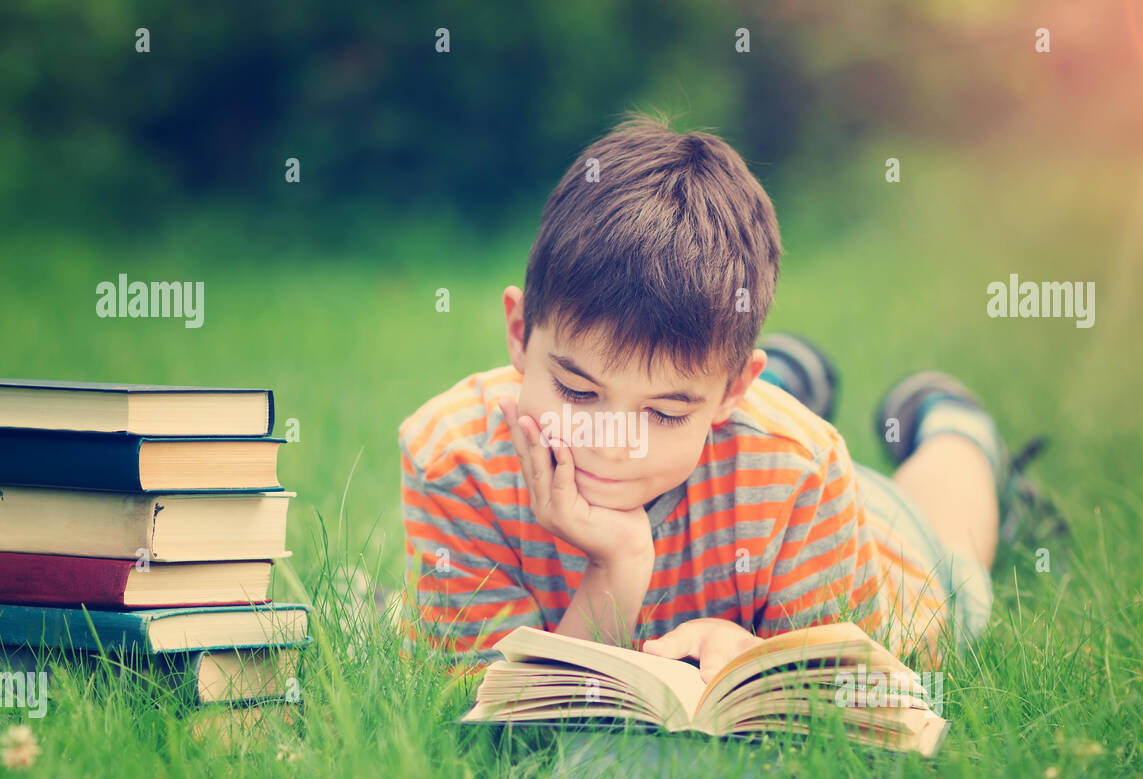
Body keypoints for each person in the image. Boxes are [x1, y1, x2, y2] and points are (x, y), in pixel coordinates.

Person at [395, 112, 1058, 681]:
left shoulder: (801, 471)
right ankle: (785, 379)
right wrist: (619, 567)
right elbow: (497, 707)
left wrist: (762, 658)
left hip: (850, 531)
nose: (612, 444)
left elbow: (851, 690)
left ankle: (952, 419)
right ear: (518, 333)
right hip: (735, 460)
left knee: (954, 553)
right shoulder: (456, 462)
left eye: (664, 411)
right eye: (576, 389)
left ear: (731, 391)